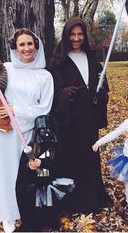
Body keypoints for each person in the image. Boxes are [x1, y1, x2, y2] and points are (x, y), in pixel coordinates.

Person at [0, 28, 54, 232]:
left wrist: (16, 109)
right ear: (15, 48)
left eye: (29, 44)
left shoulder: (45, 76)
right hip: (3, 132)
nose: (26, 48)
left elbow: (45, 108)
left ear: (36, 46)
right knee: (4, 173)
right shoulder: (5, 69)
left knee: (28, 175)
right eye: (21, 45)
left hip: (29, 133)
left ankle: (31, 214)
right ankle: (7, 215)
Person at [48, 17, 112, 214]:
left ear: (85, 35)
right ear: (66, 36)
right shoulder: (57, 61)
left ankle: (91, 196)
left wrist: (101, 94)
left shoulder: (91, 58)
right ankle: (72, 200)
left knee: (90, 157)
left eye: (80, 34)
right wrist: (63, 94)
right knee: (71, 158)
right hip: (69, 120)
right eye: (72, 34)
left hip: (89, 118)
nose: (76, 38)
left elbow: (102, 84)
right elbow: (52, 91)